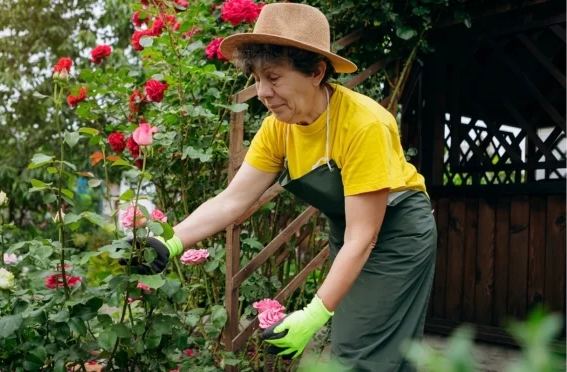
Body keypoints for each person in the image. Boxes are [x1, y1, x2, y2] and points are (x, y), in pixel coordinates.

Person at [126, 3, 437, 371]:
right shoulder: (279, 127)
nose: (261, 91)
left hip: (397, 232)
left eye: (273, 77)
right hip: (350, 229)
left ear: (317, 72)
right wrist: (169, 241)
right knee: (369, 347)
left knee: (360, 353)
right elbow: (231, 201)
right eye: (256, 78)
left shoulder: (364, 125)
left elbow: (363, 238)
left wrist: (311, 314)